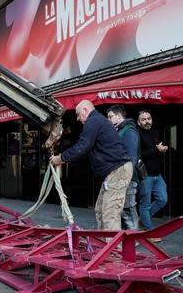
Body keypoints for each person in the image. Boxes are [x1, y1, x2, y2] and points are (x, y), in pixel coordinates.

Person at [51, 100, 132, 231]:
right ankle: (105, 244)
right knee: (100, 209)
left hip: (117, 171)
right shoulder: (97, 121)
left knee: (109, 213)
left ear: (85, 110)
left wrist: (60, 158)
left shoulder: (93, 121)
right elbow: (84, 149)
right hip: (113, 172)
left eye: (78, 114)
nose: (77, 119)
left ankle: (113, 250)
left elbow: (82, 147)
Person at [107, 105, 140, 230]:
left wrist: (126, 177)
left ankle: (134, 237)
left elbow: (132, 157)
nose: (108, 120)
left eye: (110, 117)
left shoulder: (129, 131)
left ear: (119, 116)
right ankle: (129, 236)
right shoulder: (121, 130)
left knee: (128, 206)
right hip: (122, 176)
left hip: (128, 177)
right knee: (124, 206)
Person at [137, 110, 169, 237]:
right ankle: (150, 232)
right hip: (145, 175)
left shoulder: (155, 133)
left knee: (162, 199)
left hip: (157, 174)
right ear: (138, 122)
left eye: (149, 118)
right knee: (144, 203)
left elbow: (154, 152)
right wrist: (156, 149)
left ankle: (144, 218)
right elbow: (139, 155)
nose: (147, 121)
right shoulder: (137, 134)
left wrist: (160, 150)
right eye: (143, 119)